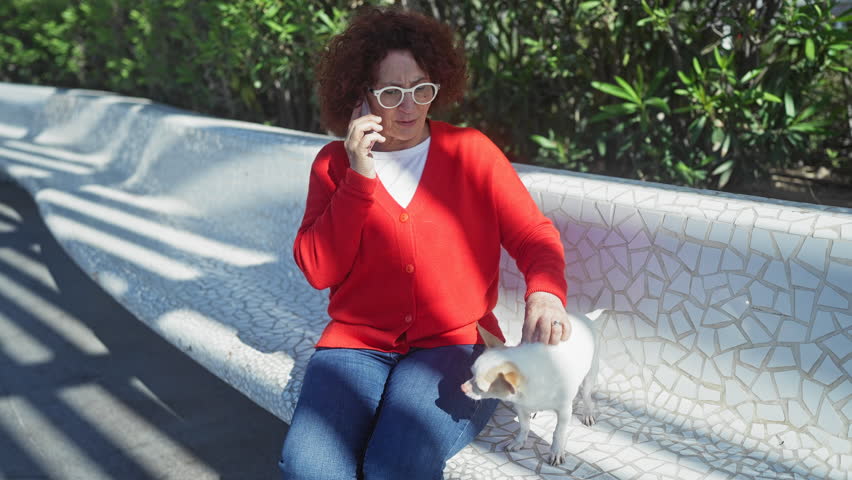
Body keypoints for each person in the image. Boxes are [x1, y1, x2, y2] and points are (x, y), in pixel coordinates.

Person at [279, 7, 571, 479]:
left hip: (453, 345)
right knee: (308, 466)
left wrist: (545, 293)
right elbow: (319, 270)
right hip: (354, 347)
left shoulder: (471, 152)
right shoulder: (333, 165)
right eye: (391, 92)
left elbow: (532, 233)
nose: (410, 105)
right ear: (361, 94)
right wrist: (359, 175)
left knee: (395, 465)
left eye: (421, 88)